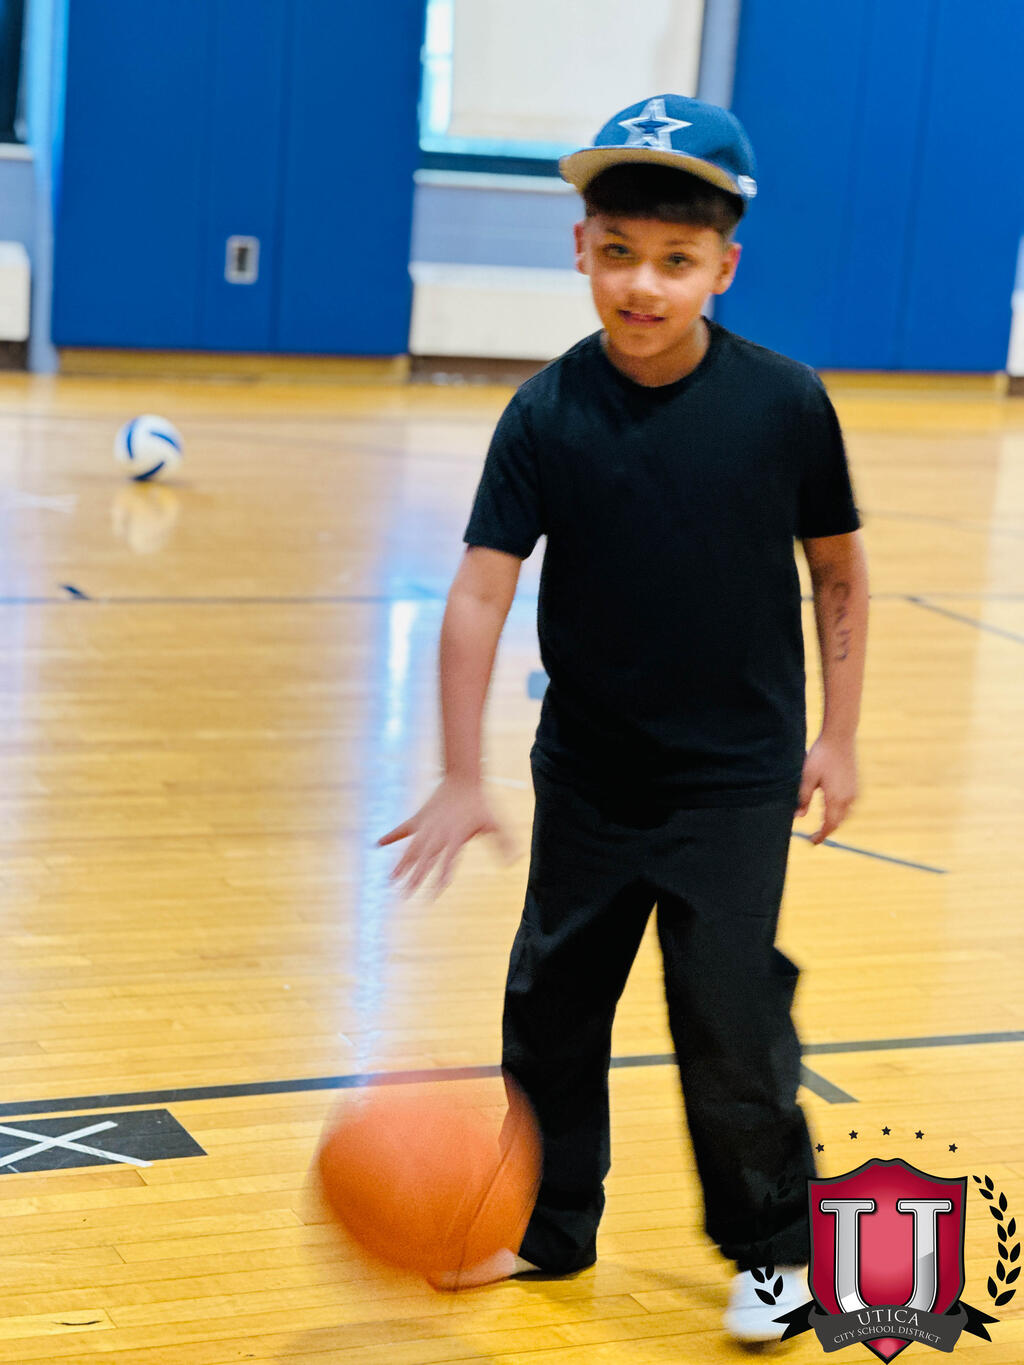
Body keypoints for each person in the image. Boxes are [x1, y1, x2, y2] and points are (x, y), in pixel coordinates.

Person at [379, 93, 868, 1344]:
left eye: (675, 260)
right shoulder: (546, 414)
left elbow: (837, 571)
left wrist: (839, 734)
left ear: (723, 268)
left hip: (734, 783)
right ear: (579, 249)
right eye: (618, 253)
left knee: (728, 1017)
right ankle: (551, 1227)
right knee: (550, 1008)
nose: (642, 286)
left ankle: (776, 1249)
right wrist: (458, 771)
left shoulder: (783, 404)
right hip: (591, 777)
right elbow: (479, 588)